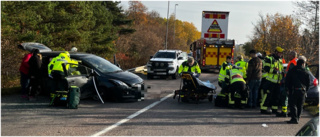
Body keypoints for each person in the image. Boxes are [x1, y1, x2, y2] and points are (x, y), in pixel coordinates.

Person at [285, 56, 310, 124]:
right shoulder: (306, 72)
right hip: (302, 91)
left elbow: (287, 80)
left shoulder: (292, 70)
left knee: (293, 104)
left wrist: (288, 89)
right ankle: (298, 118)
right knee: (300, 105)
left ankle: (294, 118)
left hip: (293, 90)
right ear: (302, 64)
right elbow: (308, 83)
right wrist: (306, 90)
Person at [260, 46, 284, 114]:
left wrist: (282, 72)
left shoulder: (280, 60)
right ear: (276, 52)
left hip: (277, 82)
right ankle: (263, 109)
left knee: (276, 96)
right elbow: (266, 69)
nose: (280, 55)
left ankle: (274, 109)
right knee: (267, 95)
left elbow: (281, 69)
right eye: (279, 53)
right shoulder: (270, 59)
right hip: (270, 81)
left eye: (281, 53)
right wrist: (274, 71)